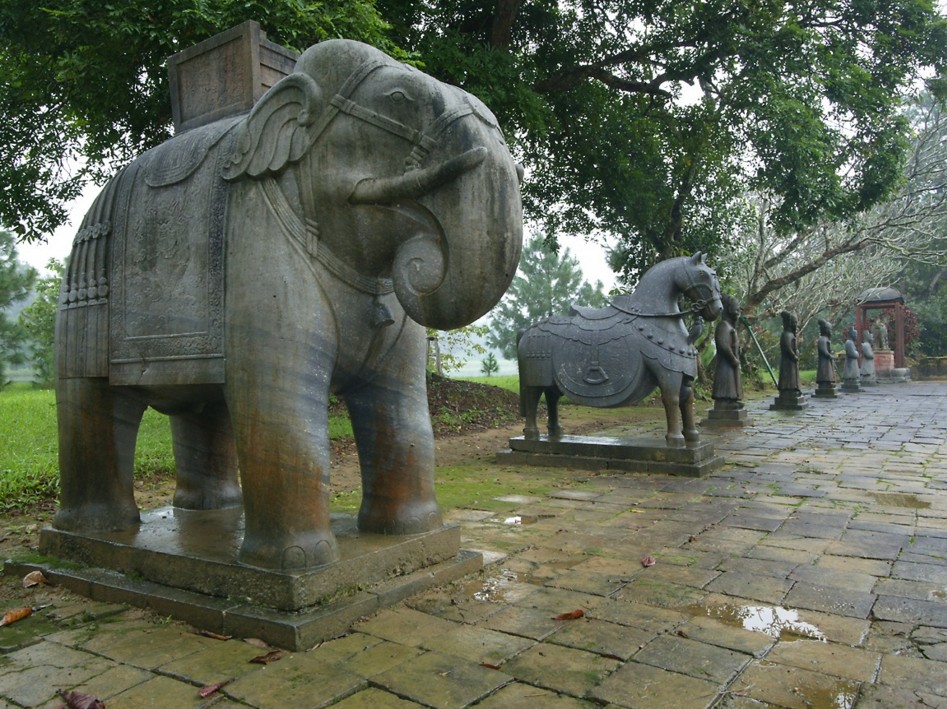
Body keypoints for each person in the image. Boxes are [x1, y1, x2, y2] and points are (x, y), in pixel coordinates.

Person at [712, 294, 744, 408]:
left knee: (732, 380)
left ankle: (731, 400)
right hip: (726, 363)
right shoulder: (723, 326)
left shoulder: (730, 327)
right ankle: (723, 402)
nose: (738, 311)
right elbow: (723, 345)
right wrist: (733, 359)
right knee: (726, 379)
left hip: (731, 362)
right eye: (736, 309)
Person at [777, 311, 801, 397]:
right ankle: (787, 390)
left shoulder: (791, 335)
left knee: (793, 375)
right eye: (794, 322)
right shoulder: (786, 335)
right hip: (787, 361)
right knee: (788, 375)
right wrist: (793, 355)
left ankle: (793, 388)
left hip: (792, 361)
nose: (795, 325)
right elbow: (787, 347)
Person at [816, 319, 836, 385]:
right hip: (824, 361)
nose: (831, 331)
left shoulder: (827, 339)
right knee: (825, 372)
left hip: (828, 361)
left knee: (829, 372)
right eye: (830, 330)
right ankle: (824, 382)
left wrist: (831, 352)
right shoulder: (822, 339)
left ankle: (829, 381)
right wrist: (829, 355)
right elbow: (823, 350)